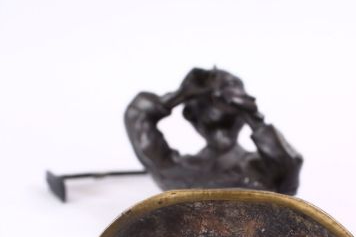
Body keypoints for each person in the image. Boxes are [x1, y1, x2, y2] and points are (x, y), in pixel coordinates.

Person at [124, 67, 303, 194]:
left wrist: (254, 117)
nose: (222, 119)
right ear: (192, 117)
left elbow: (290, 167)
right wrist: (178, 96)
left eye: (232, 115)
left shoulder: (266, 168)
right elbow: (137, 116)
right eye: (209, 113)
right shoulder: (176, 168)